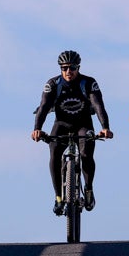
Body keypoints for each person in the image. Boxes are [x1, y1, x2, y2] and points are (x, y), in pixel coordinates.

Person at [31, 50, 113, 215]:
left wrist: (105, 127)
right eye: (65, 68)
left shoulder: (88, 83)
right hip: (61, 124)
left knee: (86, 154)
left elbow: (98, 106)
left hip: (83, 124)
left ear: (78, 67)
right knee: (54, 152)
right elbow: (44, 107)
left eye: (73, 68)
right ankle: (59, 197)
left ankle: (88, 190)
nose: (69, 71)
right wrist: (37, 129)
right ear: (61, 69)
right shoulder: (53, 84)